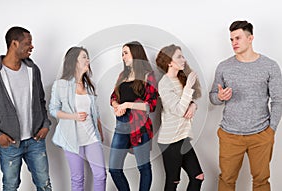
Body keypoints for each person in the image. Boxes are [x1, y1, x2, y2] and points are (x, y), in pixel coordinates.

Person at [209, 20, 282, 191]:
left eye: (238, 38)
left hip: (261, 134)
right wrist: (220, 97)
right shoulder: (224, 67)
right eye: (231, 39)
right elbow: (212, 97)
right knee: (226, 179)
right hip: (230, 135)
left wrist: (271, 130)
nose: (234, 43)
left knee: (261, 181)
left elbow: (278, 100)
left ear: (251, 38)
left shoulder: (270, 66)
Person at [0, 26, 52, 190]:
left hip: (36, 140)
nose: (32, 47)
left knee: (45, 184)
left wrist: (45, 124)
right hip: (10, 143)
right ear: (14, 43)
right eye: (28, 43)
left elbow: (41, 101)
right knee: (10, 186)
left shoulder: (32, 70)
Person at [49, 46, 106, 191]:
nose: (88, 60)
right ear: (74, 61)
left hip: (92, 137)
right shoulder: (61, 85)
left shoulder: (90, 86)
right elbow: (53, 110)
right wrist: (73, 116)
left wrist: (100, 132)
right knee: (77, 178)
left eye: (87, 57)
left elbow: (96, 112)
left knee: (101, 175)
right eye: (84, 57)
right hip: (71, 139)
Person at [108, 41, 158, 191]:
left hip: (140, 126)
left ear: (136, 54)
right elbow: (113, 97)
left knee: (143, 167)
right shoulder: (122, 75)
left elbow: (151, 105)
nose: (123, 57)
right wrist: (117, 106)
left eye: (126, 53)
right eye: (122, 54)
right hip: (121, 125)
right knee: (114, 168)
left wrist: (127, 105)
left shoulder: (148, 75)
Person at [155, 44, 204, 191]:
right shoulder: (164, 83)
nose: (183, 59)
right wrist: (189, 86)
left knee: (198, 176)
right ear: (169, 62)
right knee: (173, 181)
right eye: (179, 56)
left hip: (182, 137)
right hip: (170, 141)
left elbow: (187, 102)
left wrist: (194, 105)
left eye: (182, 56)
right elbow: (179, 110)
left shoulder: (180, 79)